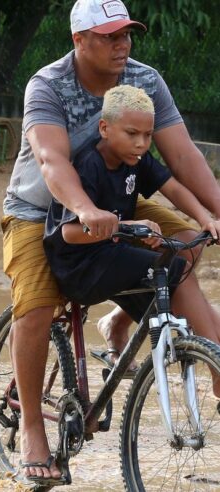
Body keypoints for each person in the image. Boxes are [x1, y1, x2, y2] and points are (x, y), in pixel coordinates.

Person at [1, 0, 220, 484]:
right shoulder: (48, 85)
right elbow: (51, 160)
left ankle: (123, 317)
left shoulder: (145, 80)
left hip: (116, 201)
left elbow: (181, 157)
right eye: (109, 36)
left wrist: (215, 213)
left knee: (185, 240)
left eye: (127, 34)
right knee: (36, 306)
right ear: (79, 41)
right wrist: (84, 210)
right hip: (45, 209)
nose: (122, 44)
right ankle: (35, 431)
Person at [44, 85, 220, 390]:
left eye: (148, 135)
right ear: (105, 128)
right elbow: (69, 233)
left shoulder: (135, 161)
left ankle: (204, 350)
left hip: (111, 256)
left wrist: (206, 219)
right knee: (170, 270)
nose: (141, 144)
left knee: (177, 256)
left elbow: (173, 188)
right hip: (80, 267)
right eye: (132, 133)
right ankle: (217, 371)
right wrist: (128, 226)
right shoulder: (90, 165)